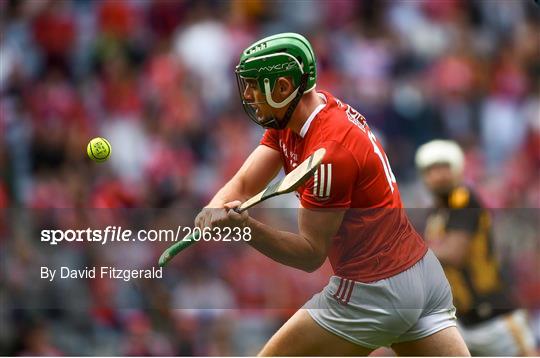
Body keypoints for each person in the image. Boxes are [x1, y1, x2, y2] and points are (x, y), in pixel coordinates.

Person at [195, 33, 470, 356]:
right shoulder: (300, 112)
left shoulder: (329, 155)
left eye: (256, 85)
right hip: (421, 275)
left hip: (377, 289)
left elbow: (310, 254)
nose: (250, 95)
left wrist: (245, 228)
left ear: (283, 87)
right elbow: (243, 183)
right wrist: (215, 207)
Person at [415, 139, 537, 356]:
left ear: (457, 169)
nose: (439, 175)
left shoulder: (463, 198)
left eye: (444, 167)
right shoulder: (435, 215)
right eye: (431, 169)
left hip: (494, 315)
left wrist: (409, 250)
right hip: (462, 321)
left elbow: (455, 253)